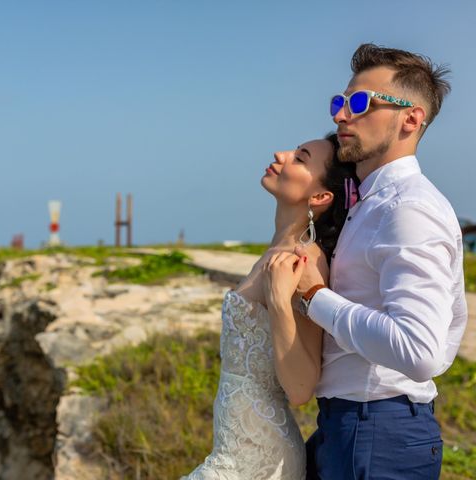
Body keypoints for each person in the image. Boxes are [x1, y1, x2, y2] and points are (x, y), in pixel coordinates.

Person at [280, 44, 468, 479]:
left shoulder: (408, 209)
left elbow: (418, 351)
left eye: (361, 103)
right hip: (350, 426)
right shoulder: (372, 205)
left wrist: (315, 295)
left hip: (377, 431)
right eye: (340, 102)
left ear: (411, 119)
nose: (342, 115)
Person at [182, 134, 357, 479]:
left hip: (259, 458)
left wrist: (278, 301)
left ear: (320, 196)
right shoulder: (278, 249)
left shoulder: (302, 260)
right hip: (236, 449)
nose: (281, 154)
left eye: (300, 158)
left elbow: (302, 387)